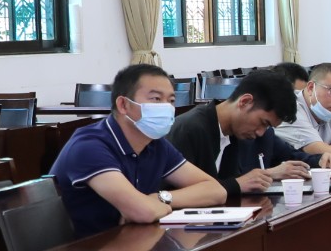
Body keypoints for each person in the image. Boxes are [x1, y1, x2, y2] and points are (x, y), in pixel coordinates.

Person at [51, 64, 226, 237]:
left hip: (129, 240)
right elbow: (143, 212)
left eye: (171, 100)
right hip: (84, 249)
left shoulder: (155, 144)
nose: (166, 107)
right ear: (123, 105)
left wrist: (159, 198)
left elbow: (216, 191)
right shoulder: (89, 146)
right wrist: (149, 206)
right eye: (156, 99)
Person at [167, 69, 315, 198]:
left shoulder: (238, 132)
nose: (261, 133)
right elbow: (173, 194)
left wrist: (321, 160)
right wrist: (237, 184)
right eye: (263, 123)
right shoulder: (189, 129)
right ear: (245, 102)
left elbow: (292, 155)